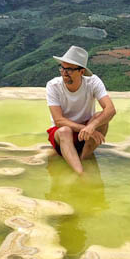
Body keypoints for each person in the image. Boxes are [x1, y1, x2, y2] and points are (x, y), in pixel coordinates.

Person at [46, 45, 116, 174]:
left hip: (86, 134)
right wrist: (84, 128)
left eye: (69, 70)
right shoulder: (53, 86)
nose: (64, 72)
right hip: (62, 135)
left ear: (81, 72)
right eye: (62, 68)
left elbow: (111, 109)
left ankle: (84, 158)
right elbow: (58, 120)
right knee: (64, 131)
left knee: (100, 117)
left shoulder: (93, 82)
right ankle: (80, 173)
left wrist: (93, 125)